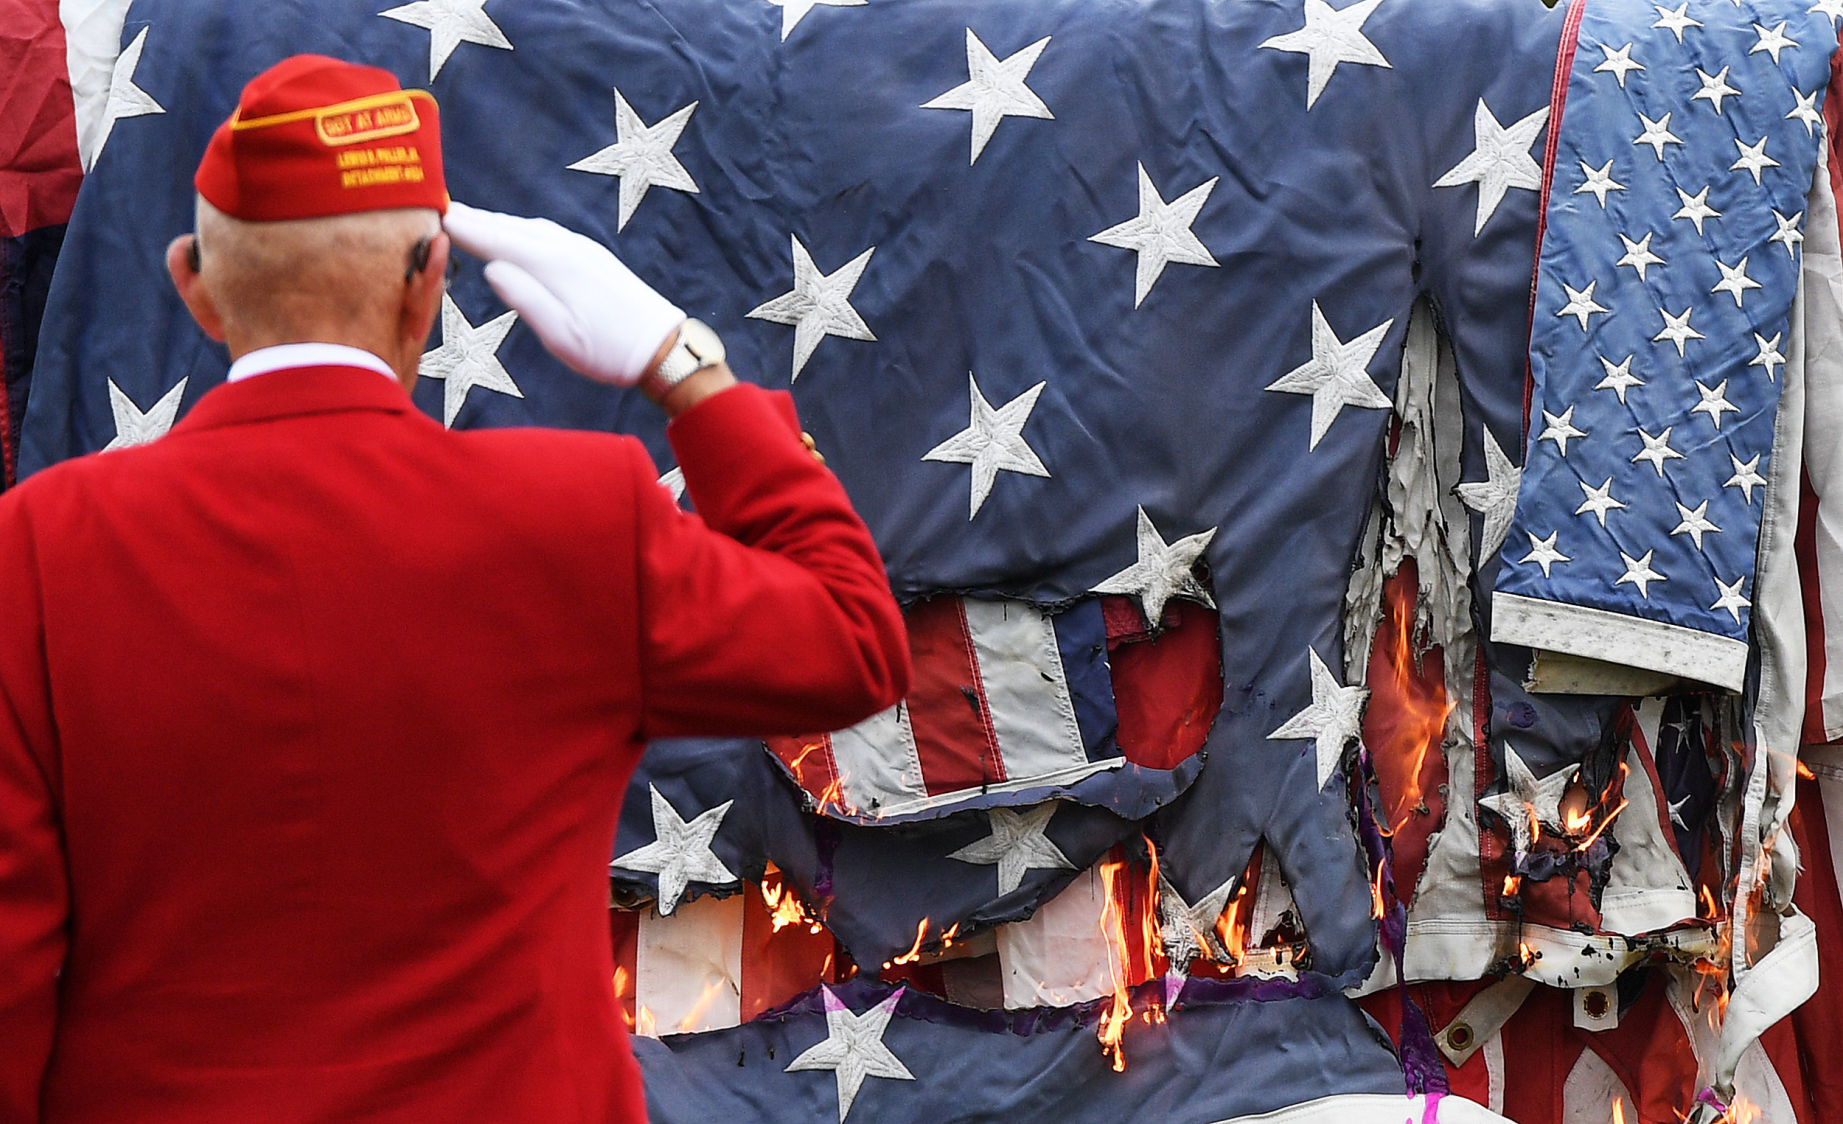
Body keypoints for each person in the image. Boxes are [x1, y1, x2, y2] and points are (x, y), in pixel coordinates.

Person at [0, 55, 909, 1122]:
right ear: (428, 278)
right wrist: (683, 363)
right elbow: (853, 641)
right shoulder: (574, 515)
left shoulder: (38, 546)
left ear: (194, 283)